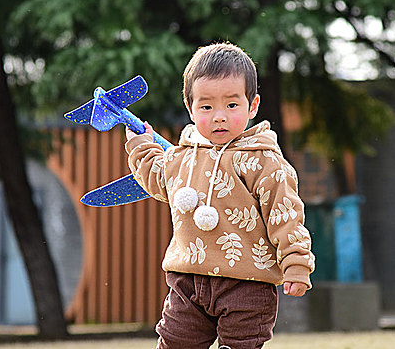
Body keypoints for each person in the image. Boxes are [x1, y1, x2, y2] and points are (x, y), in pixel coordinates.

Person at [125, 42, 315, 349]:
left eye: (231, 105)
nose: (219, 117)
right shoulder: (183, 158)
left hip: (248, 283)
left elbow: (286, 215)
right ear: (190, 108)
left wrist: (296, 263)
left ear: (252, 106)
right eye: (206, 107)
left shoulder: (263, 161)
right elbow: (157, 178)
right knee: (174, 344)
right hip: (187, 282)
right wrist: (140, 144)